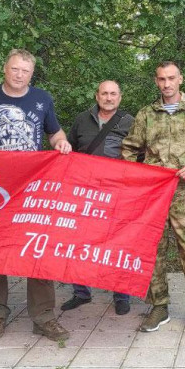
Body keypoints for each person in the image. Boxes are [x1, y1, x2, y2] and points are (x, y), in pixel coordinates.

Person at [0, 49, 72, 342]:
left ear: (32, 74)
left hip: (33, 188)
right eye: (15, 69)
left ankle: (43, 316)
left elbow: (55, 133)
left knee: (37, 247)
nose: (20, 75)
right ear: (5, 69)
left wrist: (62, 143)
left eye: (25, 71)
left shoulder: (42, 98)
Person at [121, 61, 185, 349]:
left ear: (180, 79)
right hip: (153, 195)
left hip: (184, 193)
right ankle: (159, 306)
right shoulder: (147, 114)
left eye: (171, 78)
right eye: (161, 79)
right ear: (156, 82)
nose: (166, 84)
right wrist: (139, 178)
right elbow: (129, 149)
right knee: (154, 252)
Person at [61, 80, 134, 315]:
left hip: (117, 193)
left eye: (113, 94)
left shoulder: (130, 122)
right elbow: (69, 151)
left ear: (120, 97)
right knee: (78, 242)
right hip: (85, 192)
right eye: (104, 93)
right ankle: (81, 292)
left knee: (118, 244)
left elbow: (142, 156)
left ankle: (121, 295)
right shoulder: (82, 120)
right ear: (97, 96)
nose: (109, 98)